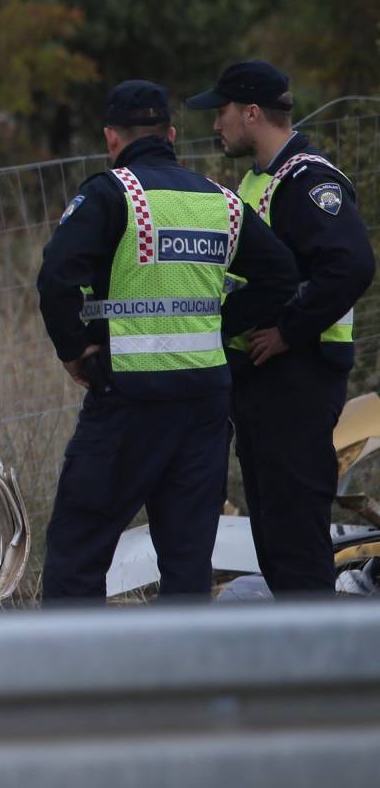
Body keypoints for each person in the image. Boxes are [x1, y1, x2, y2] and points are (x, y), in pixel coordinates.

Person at [36, 80, 297, 601]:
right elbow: (281, 277)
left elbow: (57, 279)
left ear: (112, 138)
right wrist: (218, 327)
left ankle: (70, 676)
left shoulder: (113, 194)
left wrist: (79, 349)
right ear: (171, 135)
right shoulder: (221, 202)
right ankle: (187, 678)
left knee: (77, 553)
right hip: (203, 402)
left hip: (128, 400)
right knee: (187, 561)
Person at [187, 60, 375, 595]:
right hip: (264, 384)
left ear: (251, 113)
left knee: (295, 538)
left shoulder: (308, 180)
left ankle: (323, 667)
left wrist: (288, 331)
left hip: (298, 379)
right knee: (274, 537)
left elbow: (351, 264)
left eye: (221, 112)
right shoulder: (257, 183)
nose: (216, 124)